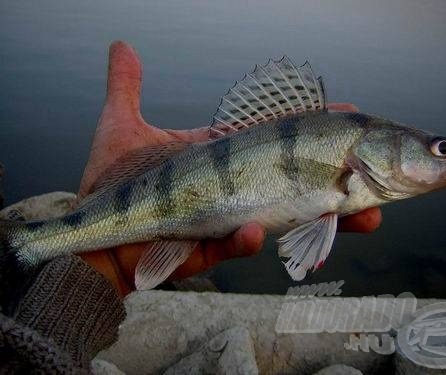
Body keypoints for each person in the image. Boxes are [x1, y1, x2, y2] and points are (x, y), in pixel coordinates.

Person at [0, 41, 381, 372]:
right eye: (441, 150)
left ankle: (32, 245)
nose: (444, 159)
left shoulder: (349, 170)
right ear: (375, 149)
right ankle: (27, 245)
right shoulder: (346, 159)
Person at [78, 41, 382, 296]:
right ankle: (47, 241)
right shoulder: (350, 165)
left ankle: (58, 240)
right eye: (433, 149)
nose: (433, 159)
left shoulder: (352, 173)